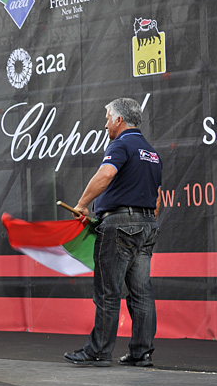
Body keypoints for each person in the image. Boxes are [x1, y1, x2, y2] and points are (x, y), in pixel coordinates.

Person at [65, 98, 163, 368]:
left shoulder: (121, 144)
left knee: (108, 291)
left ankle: (99, 351)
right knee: (141, 292)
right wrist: (143, 223)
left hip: (120, 225)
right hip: (147, 225)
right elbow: (156, 198)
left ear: (119, 120)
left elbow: (106, 174)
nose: (105, 123)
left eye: (107, 118)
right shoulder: (151, 152)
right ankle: (142, 353)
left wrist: (82, 204)